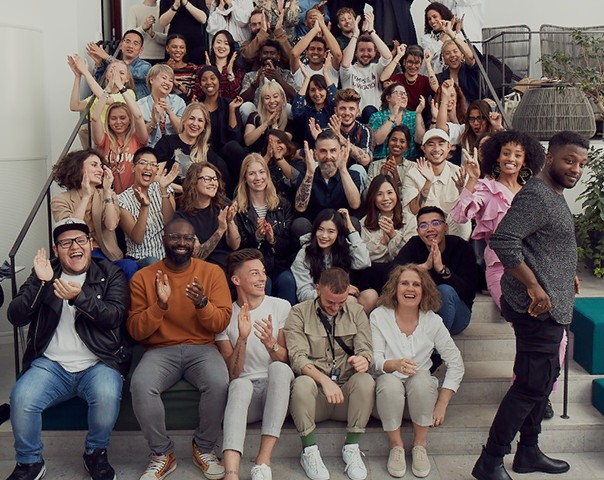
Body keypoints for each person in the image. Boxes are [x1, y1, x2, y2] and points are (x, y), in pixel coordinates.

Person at [471, 131, 590, 480]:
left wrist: (564, 272)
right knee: (529, 386)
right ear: (549, 158)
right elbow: (504, 241)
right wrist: (536, 286)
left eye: (582, 163)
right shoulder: (537, 195)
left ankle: (528, 451)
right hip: (536, 310)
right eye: (570, 160)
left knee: (544, 379)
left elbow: (542, 243)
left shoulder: (551, 194)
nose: (576, 169)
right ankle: (490, 461)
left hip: (551, 307)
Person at [6, 218, 131, 480]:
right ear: (56, 250)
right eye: (65, 243)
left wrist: (79, 298)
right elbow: (16, 317)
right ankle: (29, 462)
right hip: (51, 365)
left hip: (98, 362)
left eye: (80, 240)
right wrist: (41, 284)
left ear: (90, 244)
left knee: (107, 395)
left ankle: (95, 453)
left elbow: (114, 316)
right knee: (21, 398)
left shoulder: (111, 274)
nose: (74, 247)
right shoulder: (43, 273)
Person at [128, 217, 232, 480]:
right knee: (140, 384)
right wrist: (160, 306)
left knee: (219, 381)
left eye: (187, 238)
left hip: (202, 348)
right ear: (164, 240)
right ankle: (163, 453)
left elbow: (221, 321)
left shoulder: (212, 272)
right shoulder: (143, 277)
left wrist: (203, 304)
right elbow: (136, 330)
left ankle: (204, 448)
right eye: (175, 237)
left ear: (195, 242)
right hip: (160, 350)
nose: (181, 243)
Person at [371, 264, 464, 478]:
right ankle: (396, 447)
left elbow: (456, 363)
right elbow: (374, 359)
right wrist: (393, 365)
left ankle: (420, 445)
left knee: (422, 379)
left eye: (416, 284)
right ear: (395, 288)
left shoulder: (432, 321)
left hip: (422, 405)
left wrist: (441, 404)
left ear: (424, 291)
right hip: (386, 403)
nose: (410, 288)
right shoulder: (379, 316)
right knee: (389, 382)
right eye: (404, 283)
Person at [285, 267, 375, 480]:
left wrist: (364, 360)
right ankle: (309, 451)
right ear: (317, 289)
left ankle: (351, 447)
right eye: (330, 302)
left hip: (345, 396)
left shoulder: (357, 312)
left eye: (341, 302)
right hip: (314, 397)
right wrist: (324, 380)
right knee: (301, 383)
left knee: (365, 380)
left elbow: (366, 348)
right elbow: (297, 358)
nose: (335, 308)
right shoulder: (298, 312)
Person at [216, 249, 294, 480]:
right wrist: (241, 338)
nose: (263, 279)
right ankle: (231, 473)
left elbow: (288, 362)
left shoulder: (281, 306)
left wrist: (271, 344)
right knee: (239, 385)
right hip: (245, 399)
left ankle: (263, 461)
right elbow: (232, 374)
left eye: (263, 273)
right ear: (236, 280)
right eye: (254, 274)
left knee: (279, 368)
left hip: (277, 396)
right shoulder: (226, 315)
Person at [449, 130, 545, 309]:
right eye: (506, 153)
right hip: (501, 268)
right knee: (521, 319)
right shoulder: (485, 188)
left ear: (525, 160)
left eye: (518, 155)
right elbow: (460, 216)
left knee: (550, 326)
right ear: (497, 157)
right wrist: (472, 179)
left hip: (535, 266)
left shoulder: (533, 190)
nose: (511, 158)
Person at [50, 149, 138, 279]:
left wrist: (107, 191)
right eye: (94, 165)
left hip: (107, 254)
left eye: (101, 166)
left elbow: (111, 224)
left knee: (129, 266)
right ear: (78, 168)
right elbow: (72, 230)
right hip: (79, 254)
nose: (101, 170)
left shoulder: (108, 194)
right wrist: (86, 197)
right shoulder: (60, 200)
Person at [394, 206, 477, 335]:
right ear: (417, 230)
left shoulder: (461, 247)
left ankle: (435, 351)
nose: (430, 229)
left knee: (445, 290)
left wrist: (443, 270)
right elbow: (392, 273)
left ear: (446, 227)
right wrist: (424, 267)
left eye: (436, 223)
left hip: (457, 315)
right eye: (423, 225)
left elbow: (469, 293)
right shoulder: (414, 245)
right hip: (423, 314)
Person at [234, 153, 297, 305]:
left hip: (279, 265)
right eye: (252, 173)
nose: (258, 178)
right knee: (263, 282)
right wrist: (257, 237)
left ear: (267, 175)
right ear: (245, 178)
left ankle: (288, 327)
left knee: (287, 280)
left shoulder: (283, 204)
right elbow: (238, 249)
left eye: (262, 172)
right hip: (253, 269)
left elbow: (290, 245)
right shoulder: (238, 208)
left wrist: (272, 239)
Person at [291, 208, 377, 314]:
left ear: (338, 233)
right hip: (318, 302)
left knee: (370, 296)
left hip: (342, 298)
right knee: (350, 301)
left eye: (331, 231)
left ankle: (355, 329)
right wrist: (338, 291)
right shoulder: (305, 253)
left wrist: (350, 228)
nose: (324, 236)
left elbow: (363, 261)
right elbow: (303, 294)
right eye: (320, 229)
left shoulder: (343, 248)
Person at [401, 128, 471, 238]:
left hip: (452, 232)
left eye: (441, 144)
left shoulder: (458, 172)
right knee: (413, 223)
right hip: (425, 229)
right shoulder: (413, 174)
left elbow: (468, 211)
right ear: (423, 148)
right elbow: (414, 210)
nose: (436, 149)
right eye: (431, 144)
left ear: (449, 147)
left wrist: (462, 190)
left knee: (462, 219)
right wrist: (428, 182)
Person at [118, 146, 179, 267]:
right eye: (143, 163)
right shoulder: (121, 200)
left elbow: (170, 225)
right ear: (133, 168)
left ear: (157, 171)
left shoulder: (163, 187)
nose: (148, 167)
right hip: (140, 258)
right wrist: (144, 207)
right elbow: (137, 239)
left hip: (168, 255)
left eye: (153, 164)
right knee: (152, 262)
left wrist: (163, 191)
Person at [154, 101, 232, 194]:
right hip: (169, 195)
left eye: (200, 120)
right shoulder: (166, 142)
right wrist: (182, 190)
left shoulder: (208, 153)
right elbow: (155, 176)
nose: (195, 124)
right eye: (191, 118)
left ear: (204, 127)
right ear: (184, 120)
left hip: (196, 201)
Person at [175, 162, 240, 270]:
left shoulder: (223, 204)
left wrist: (230, 221)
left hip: (230, 264)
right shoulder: (181, 217)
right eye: (208, 179)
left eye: (215, 179)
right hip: (204, 269)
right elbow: (198, 256)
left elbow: (235, 245)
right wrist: (220, 230)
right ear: (194, 182)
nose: (213, 183)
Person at [91, 76, 149, 194]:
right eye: (113, 118)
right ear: (108, 121)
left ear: (129, 120)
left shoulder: (137, 139)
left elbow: (138, 116)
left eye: (122, 118)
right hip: (108, 195)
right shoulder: (104, 140)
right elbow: (94, 118)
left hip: (133, 196)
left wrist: (122, 88)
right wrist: (107, 89)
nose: (118, 122)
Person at [68, 54, 137, 148]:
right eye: (112, 71)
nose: (115, 75)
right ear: (107, 75)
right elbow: (75, 106)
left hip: (117, 140)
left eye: (121, 73)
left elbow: (106, 99)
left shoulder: (128, 93)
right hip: (99, 141)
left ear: (127, 78)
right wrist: (78, 77)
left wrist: (86, 72)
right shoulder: (97, 96)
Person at [294, 130, 362, 224]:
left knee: (354, 222)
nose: (328, 156)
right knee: (300, 224)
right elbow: (300, 207)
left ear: (340, 152)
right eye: (323, 151)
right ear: (315, 154)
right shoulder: (306, 176)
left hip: (342, 227)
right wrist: (310, 173)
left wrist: (342, 169)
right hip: (315, 230)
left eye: (333, 151)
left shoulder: (353, 175)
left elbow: (355, 204)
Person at [340, 12, 392, 120]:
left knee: (369, 110)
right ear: (356, 53)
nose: (365, 54)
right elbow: (345, 63)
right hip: (353, 118)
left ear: (374, 53)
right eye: (361, 50)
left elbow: (387, 56)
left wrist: (372, 32)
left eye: (369, 50)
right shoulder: (350, 71)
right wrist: (355, 35)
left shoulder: (376, 68)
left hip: (375, 118)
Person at [361, 175, 414, 263]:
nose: (385, 198)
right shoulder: (365, 222)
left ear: (396, 194)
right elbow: (365, 257)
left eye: (389, 193)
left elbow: (410, 254)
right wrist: (383, 242)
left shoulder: (409, 219)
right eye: (379, 194)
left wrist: (393, 235)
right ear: (373, 197)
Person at [88, 30, 152, 99]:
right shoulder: (111, 65)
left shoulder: (146, 67)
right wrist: (99, 64)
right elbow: (100, 86)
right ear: (120, 45)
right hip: (113, 105)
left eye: (135, 44)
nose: (130, 46)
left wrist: (107, 57)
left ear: (141, 50)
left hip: (136, 106)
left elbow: (130, 73)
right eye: (127, 42)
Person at [368, 82, 424, 161]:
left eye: (405, 94)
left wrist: (418, 114)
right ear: (388, 98)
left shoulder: (413, 115)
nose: (404, 97)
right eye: (400, 93)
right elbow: (377, 141)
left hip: (409, 161)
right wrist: (393, 116)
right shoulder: (377, 116)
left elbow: (420, 140)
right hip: (382, 159)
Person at [137, 63, 187, 147]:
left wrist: (170, 112)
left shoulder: (178, 102)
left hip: (174, 150)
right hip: (149, 150)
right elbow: (138, 137)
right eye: (164, 78)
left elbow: (182, 131)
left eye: (171, 80)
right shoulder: (140, 105)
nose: (167, 83)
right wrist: (153, 122)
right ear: (151, 80)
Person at [380, 44, 438, 112]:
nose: (413, 66)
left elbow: (436, 89)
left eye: (416, 63)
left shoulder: (425, 80)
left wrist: (428, 64)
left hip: (421, 118)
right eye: (410, 62)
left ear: (421, 64)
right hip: (399, 116)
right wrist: (398, 56)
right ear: (404, 62)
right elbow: (383, 79)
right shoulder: (397, 78)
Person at [292, 61, 337, 147]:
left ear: (326, 91)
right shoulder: (306, 112)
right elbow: (296, 111)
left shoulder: (332, 110)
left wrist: (326, 73)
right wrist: (306, 80)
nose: (317, 94)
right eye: (312, 90)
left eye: (320, 89)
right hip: (310, 153)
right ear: (308, 92)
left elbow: (337, 99)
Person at [436, 19, 480, 104]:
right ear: (444, 58)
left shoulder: (469, 70)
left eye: (455, 51)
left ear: (462, 54)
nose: (452, 55)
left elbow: (470, 57)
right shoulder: (441, 77)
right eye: (447, 53)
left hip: (472, 112)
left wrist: (450, 33)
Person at [197, 29, 245, 101]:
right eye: (218, 42)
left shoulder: (237, 70)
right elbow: (198, 95)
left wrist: (230, 74)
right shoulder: (202, 68)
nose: (222, 46)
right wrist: (209, 72)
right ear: (213, 45)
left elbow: (235, 96)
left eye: (226, 43)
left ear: (231, 48)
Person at [244, 80, 290, 153]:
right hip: (255, 159)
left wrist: (275, 127)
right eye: (267, 98)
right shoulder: (254, 117)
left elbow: (282, 147)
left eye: (275, 97)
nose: (272, 101)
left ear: (282, 98)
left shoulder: (288, 121)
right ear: (262, 101)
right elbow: (247, 141)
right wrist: (266, 123)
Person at [159, 0, 209, 65]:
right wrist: (175, 6)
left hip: (195, 44)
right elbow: (163, 23)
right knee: (172, 70)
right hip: (175, 44)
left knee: (198, 71)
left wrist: (186, 3)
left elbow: (203, 19)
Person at [262, 129, 305, 203]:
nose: (275, 146)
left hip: (291, 206)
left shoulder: (297, 162)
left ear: (286, 144)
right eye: (271, 143)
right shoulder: (265, 162)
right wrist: (267, 156)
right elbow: (255, 171)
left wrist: (279, 158)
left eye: (279, 142)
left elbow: (298, 180)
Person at [418, 2, 455, 76]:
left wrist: (452, 32)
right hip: (433, 79)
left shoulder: (455, 34)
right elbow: (430, 55)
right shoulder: (426, 38)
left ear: (443, 16)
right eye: (429, 19)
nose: (432, 21)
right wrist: (446, 33)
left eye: (435, 17)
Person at [165, 34, 199, 103]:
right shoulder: (160, 68)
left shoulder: (193, 68)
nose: (178, 50)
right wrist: (167, 71)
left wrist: (174, 80)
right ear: (167, 49)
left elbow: (194, 95)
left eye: (182, 47)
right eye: (174, 47)